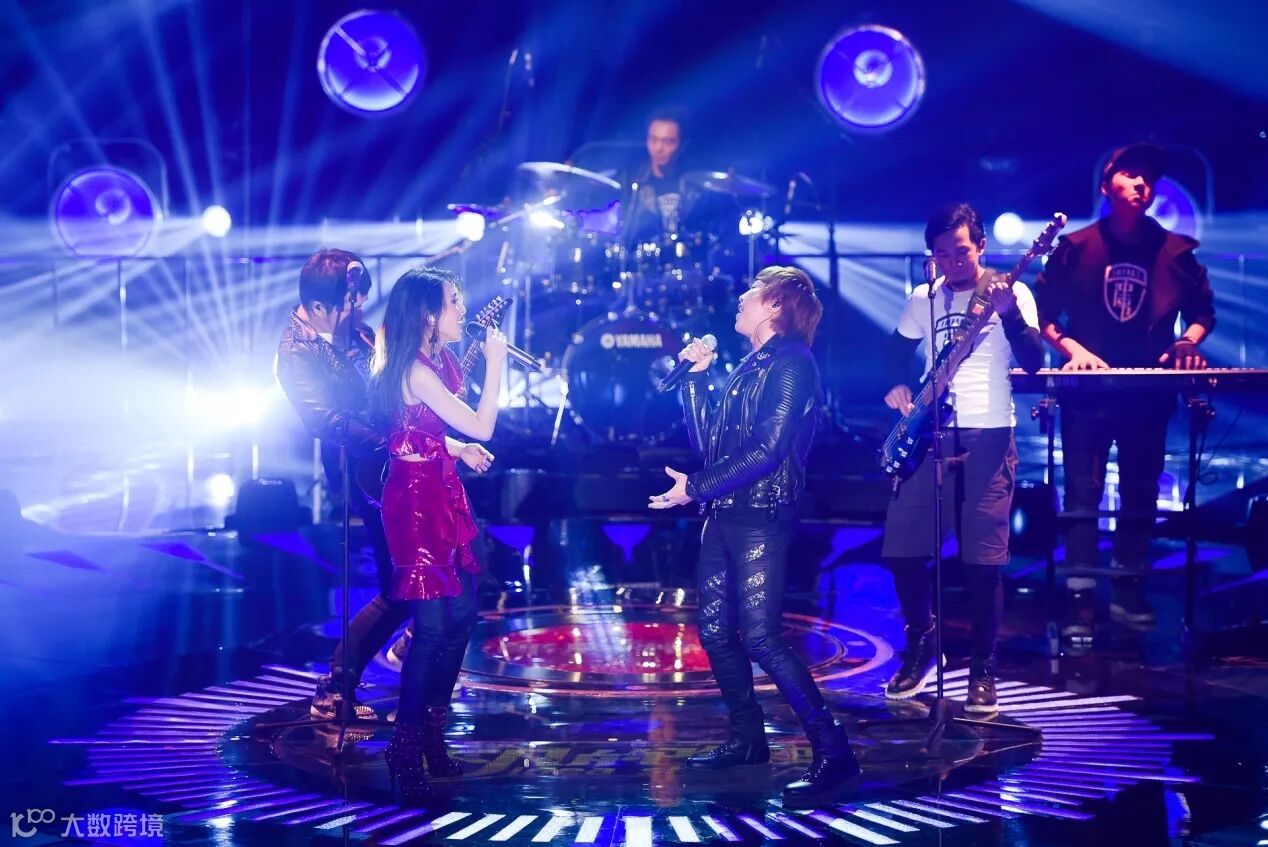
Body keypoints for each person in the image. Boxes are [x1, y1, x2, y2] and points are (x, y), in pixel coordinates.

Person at [650, 265, 859, 807]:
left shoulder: (793, 364)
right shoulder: (750, 365)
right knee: (716, 632)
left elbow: (767, 451)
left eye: (753, 292)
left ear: (775, 305)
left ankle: (834, 751)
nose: (741, 297)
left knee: (762, 637)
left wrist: (695, 489)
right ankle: (747, 739)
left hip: (761, 516)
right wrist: (695, 380)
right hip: (724, 513)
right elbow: (710, 447)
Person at [275, 251, 496, 723]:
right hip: (364, 470)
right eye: (350, 301)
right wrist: (401, 442)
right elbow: (329, 421)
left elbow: (393, 395)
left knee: (418, 582)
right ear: (319, 305)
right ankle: (342, 683)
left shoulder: (357, 334)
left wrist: (431, 438)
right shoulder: (296, 351)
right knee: (402, 583)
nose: (359, 308)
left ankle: (406, 659)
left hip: (406, 462)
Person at [1033, 143, 1215, 638]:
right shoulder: (1077, 247)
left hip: (1146, 391)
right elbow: (1041, 310)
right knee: (1081, 492)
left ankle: (1128, 586)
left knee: (1140, 489)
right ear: (1106, 185)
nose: (1141, 183)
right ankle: (1080, 596)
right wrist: (1071, 349)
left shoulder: (1173, 251)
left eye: (1148, 177)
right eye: (1131, 174)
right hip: (1087, 392)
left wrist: (1186, 342)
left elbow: (1202, 311)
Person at [880, 203, 1044, 712]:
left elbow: (1035, 363)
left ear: (981, 247)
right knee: (902, 548)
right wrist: (896, 384)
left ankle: (982, 667)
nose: (953, 262)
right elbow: (893, 354)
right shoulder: (923, 298)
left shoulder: (1012, 292)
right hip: (930, 431)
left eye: (962, 251)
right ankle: (922, 641)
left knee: (982, 560)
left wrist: (1009, 315)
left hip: (988, 433)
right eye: (942, 254)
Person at [368, 266, 507, 802]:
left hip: (441, 491)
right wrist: (496, 364)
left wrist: (456, 449)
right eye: (454, 301)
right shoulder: (415, 368)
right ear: (428, 314)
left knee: (463, 614)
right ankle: (405, 745)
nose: (462, 309)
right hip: (414, 505)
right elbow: (483, 423)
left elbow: (416, 430)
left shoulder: (441, 360)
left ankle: (430, 732)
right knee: (431, 627)